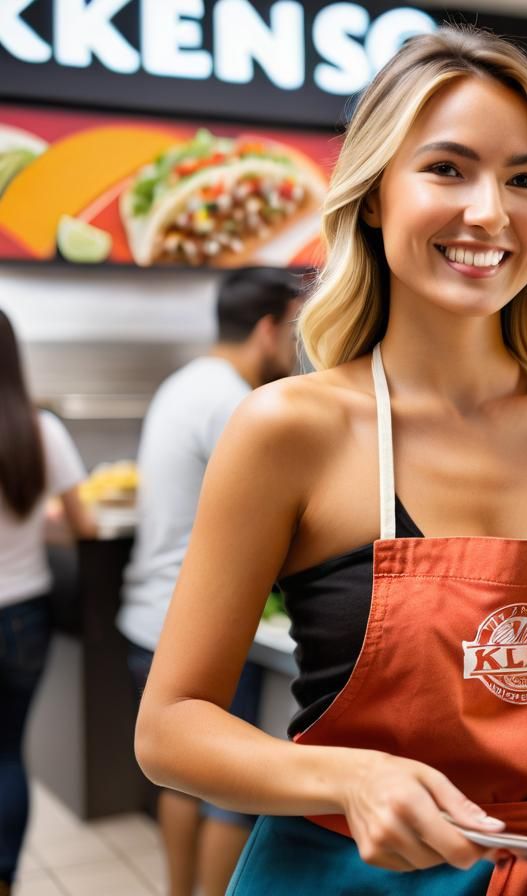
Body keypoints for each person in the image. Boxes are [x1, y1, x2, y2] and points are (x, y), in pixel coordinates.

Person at [134, 26, 527, 895]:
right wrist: (351, 777)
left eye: (525, 179)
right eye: (447, 169)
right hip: (341, 876)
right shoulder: (288, 429)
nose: (490, 212)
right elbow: (170, 729)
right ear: (376, 195)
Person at [119, 267, 304, 896]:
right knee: (229, 795)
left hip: (147, 614)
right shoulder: (236, 404)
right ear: (266, 329)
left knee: (179, 778)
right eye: (294, 330)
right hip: (201, 626)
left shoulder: (183, 383)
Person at [0, 309, 96, 896]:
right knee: (9, 753)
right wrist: (38, 522)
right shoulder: (40, 430)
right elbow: (81, 526)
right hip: (24, 616)